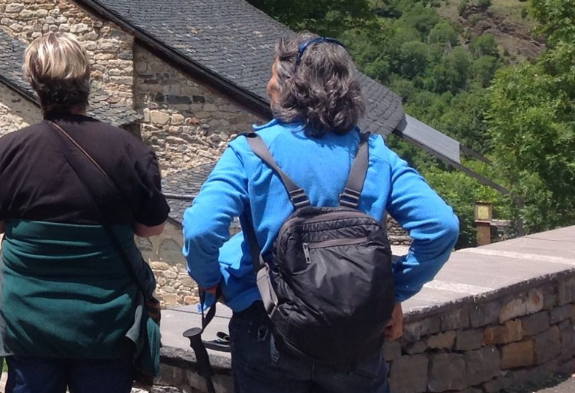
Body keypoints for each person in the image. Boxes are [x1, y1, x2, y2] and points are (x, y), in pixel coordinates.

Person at [183, 37, 460, 393]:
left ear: (289, 86)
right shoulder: (372, 153)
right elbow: (441, 226)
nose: (267, 85)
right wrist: (391, 294)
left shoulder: (250, 152)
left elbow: (201, 229)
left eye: (272, 76)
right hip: (355, 331)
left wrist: (210, 281)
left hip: (268, 327)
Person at [0, 32, 169, 393]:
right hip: (105, 323)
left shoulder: (9, 149)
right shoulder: (131, 150)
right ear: (86, 81)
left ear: (34, 85)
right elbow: (151, 228)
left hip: (28, 322)